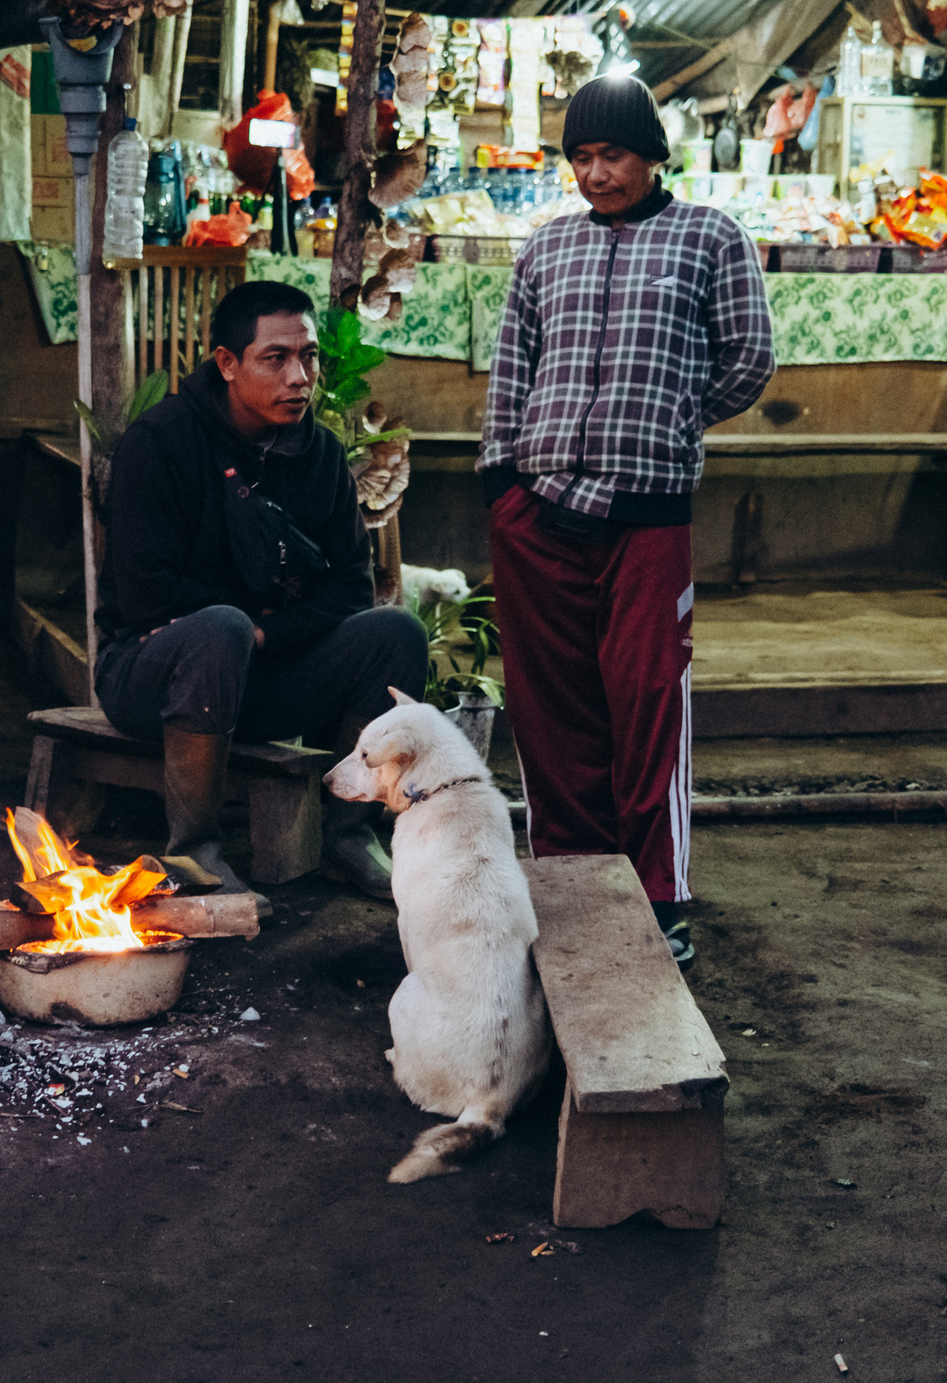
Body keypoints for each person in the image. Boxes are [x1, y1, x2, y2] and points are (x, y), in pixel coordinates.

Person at [478, 74, 774, 967]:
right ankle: (570, 881)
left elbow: (749, 358)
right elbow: (511, 369)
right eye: (580, 157)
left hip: (647, 513)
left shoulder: (711, 238)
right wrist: (502, 481)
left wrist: (672, 417)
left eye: (611, 155)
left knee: (647, 701)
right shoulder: (546, 249)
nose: (594, 174)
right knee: (548, 702)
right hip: (536, 507)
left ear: (651, 154)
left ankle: (658, 899)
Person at [95, 279, 427, 903]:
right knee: (216, 629)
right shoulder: (159, 444)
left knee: (395, 632)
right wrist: (241, 626)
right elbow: (144, 596)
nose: (299, 377)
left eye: (308, 357)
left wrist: (265, 632)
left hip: (267, 675)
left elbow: (351, 588)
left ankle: (349, 838)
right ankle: (194, 853)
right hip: (151, 680)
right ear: (227, 363)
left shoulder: (321, 454)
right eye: (276, 359)